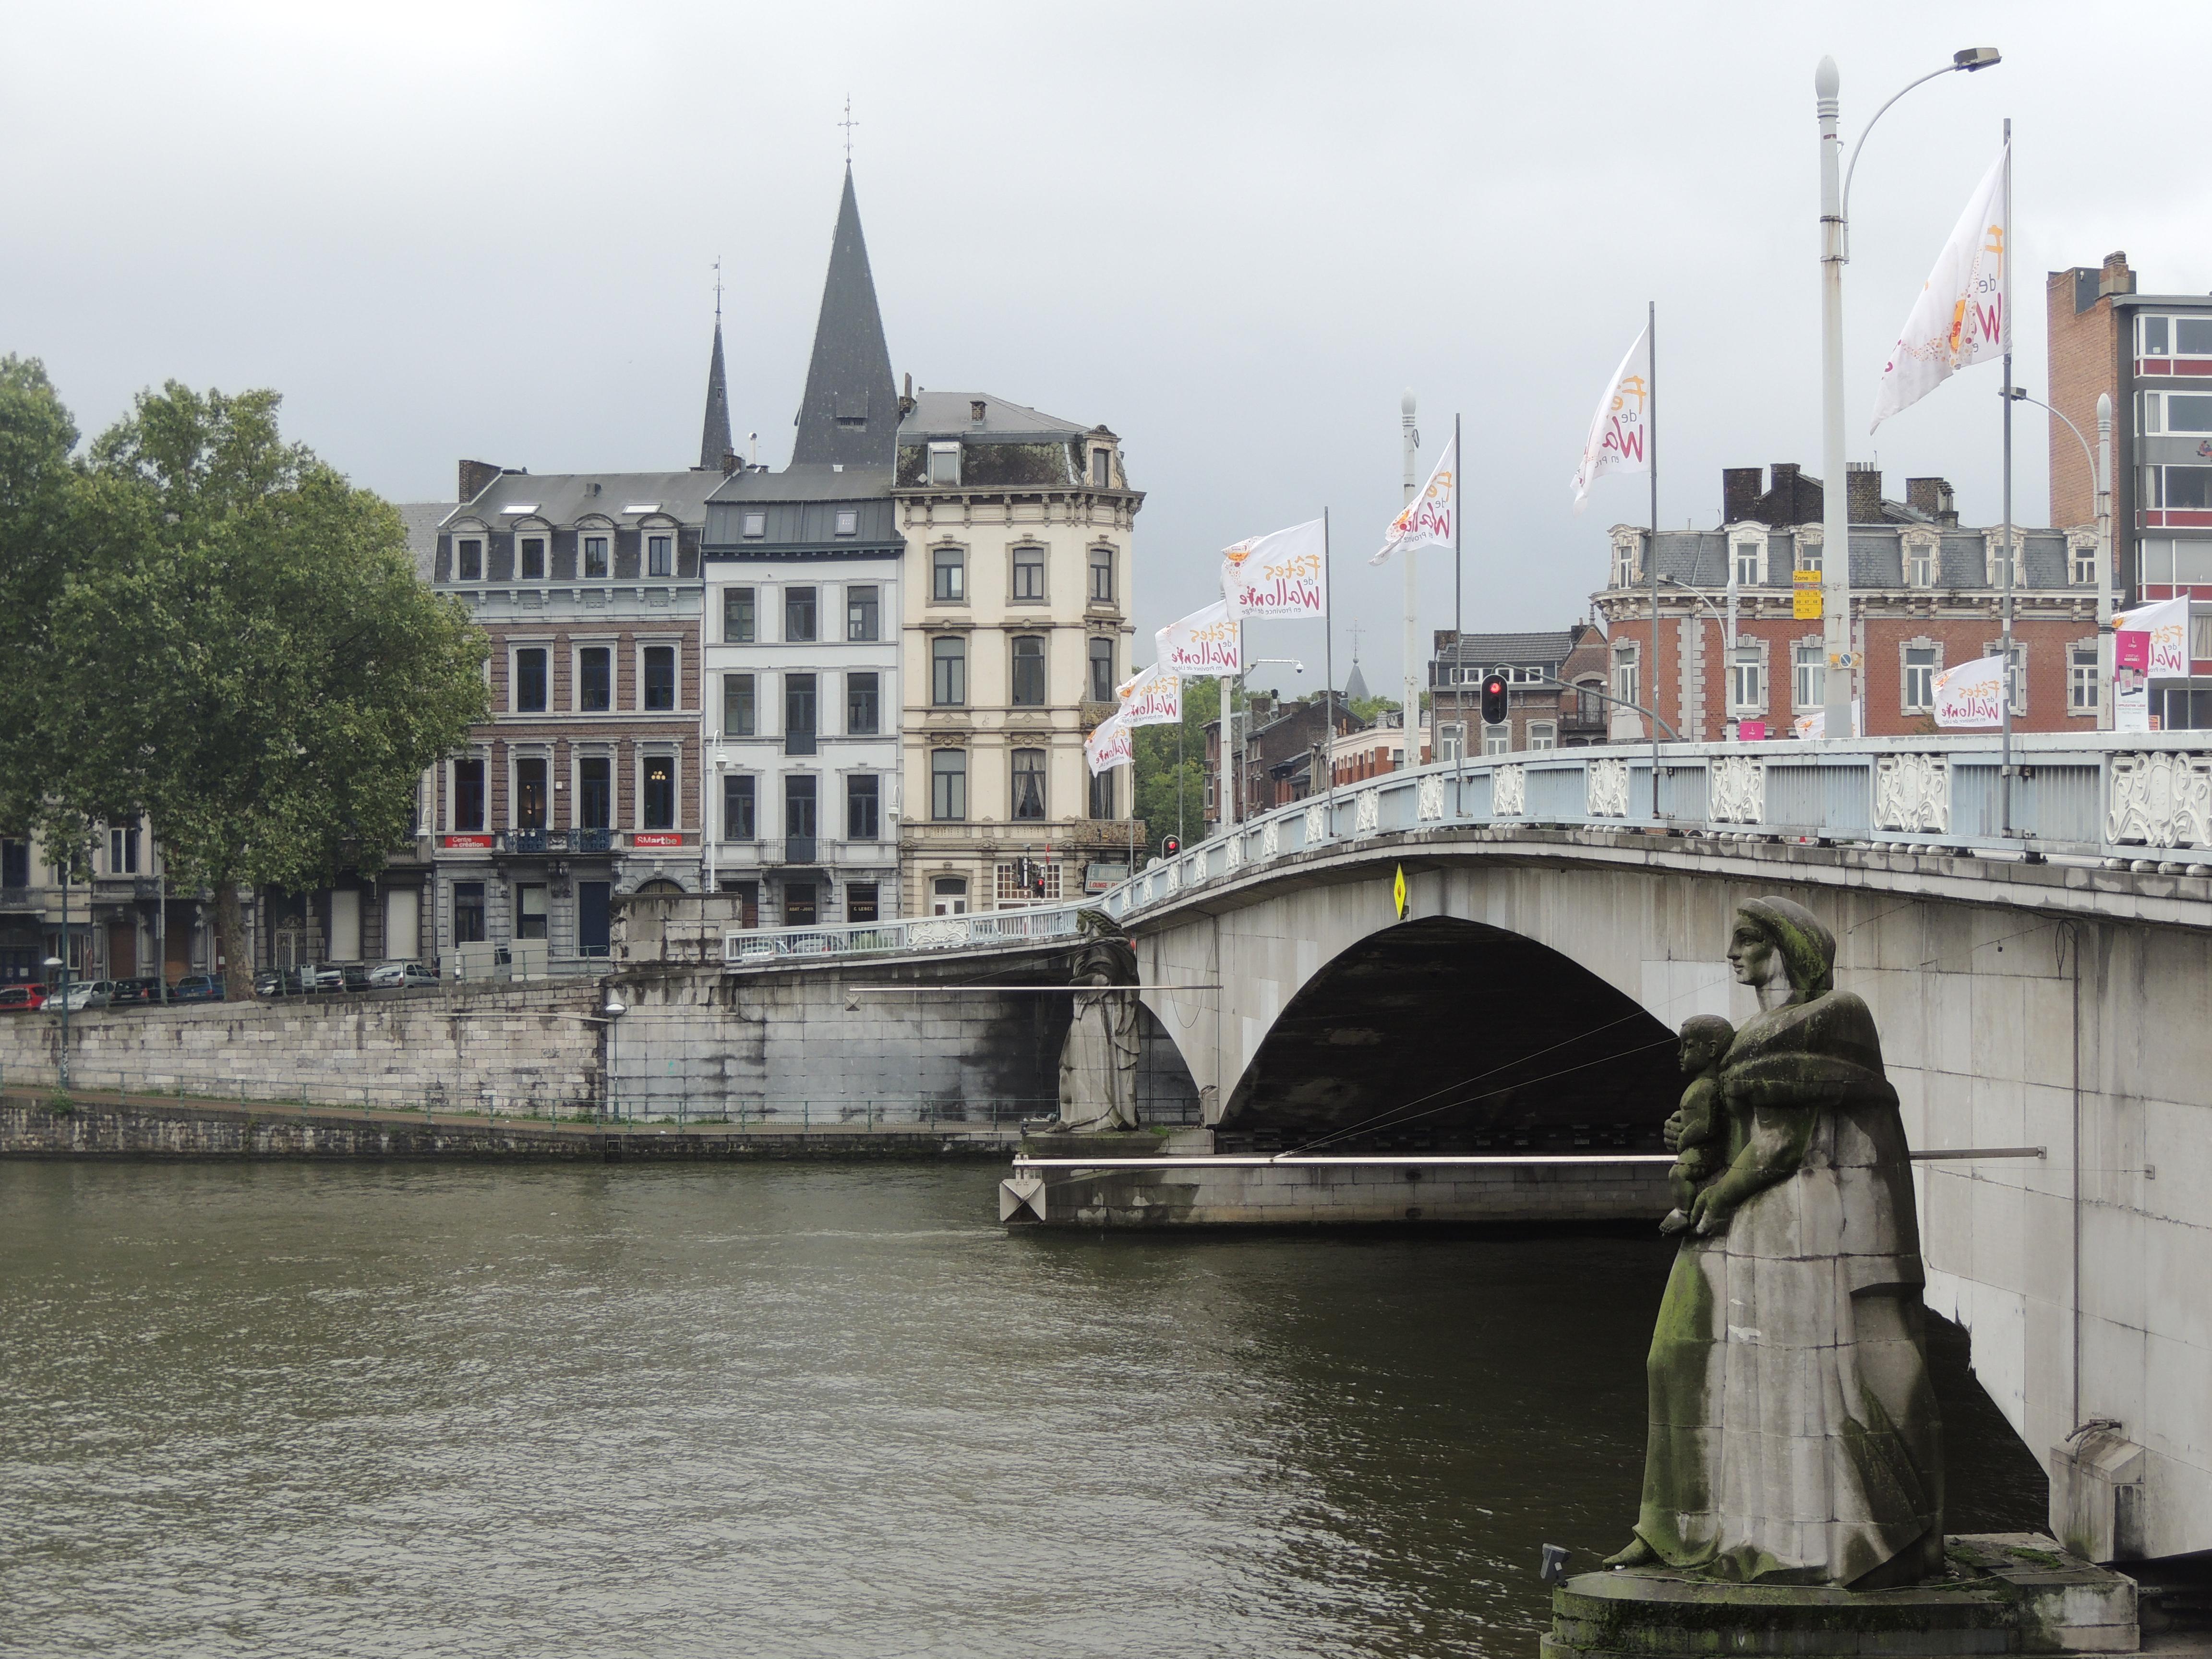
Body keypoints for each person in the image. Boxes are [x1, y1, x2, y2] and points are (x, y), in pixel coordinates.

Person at [1606, 896, 1944, 1588]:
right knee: (1676, 1357)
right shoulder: (1755, 1031)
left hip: (1793, 1219)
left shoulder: (1830, 1018)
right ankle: (1680, 1525)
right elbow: (1743, 1133)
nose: (1732, 955)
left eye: (1745, 942)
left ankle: (1795, 1540)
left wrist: (1710, 1201)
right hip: (1746, 1212)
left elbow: (1782, 1148)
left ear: (1785, 948)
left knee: (1789, 1379)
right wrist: (1692, 1139)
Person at [1659, 1014, 1734, 1236]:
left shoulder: (1705, 1088)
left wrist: (1683, 1139)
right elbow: (1692, 1115)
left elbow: (1706, 1125)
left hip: (1706, 1151)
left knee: (1678, 1174)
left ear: (1711, 1050)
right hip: (1700, 1148)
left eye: (1688, 1047)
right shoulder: (1700, 1086)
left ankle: (1685, 1213)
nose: (1680, 1054)